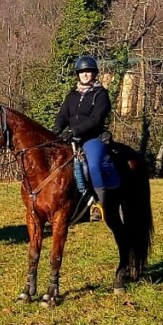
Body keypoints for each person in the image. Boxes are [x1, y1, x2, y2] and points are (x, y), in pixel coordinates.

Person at [53, 55, 116, 221]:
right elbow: (63, 115)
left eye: (88, 71)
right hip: (72, 138)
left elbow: (96, 119)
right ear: (78, 74)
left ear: (94, 73)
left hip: (93, 137)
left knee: (93, 166)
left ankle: (100, 204)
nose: (85, 74)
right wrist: (57, 128)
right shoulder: (72, 95)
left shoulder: (101, 94)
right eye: (82, 72)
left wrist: (74, 131)